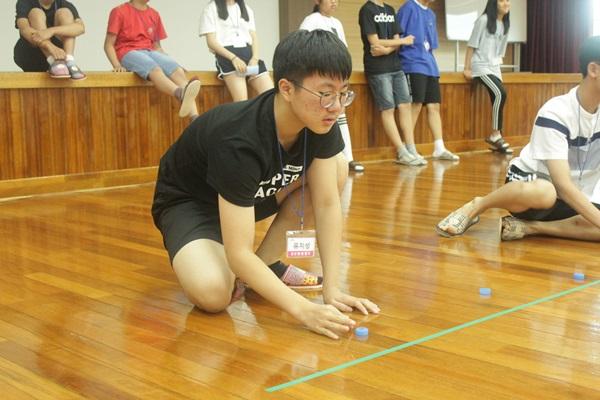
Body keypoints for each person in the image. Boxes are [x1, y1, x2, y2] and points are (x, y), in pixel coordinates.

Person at [151, 30, 380, 339]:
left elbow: (326, 203)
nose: (336, 106)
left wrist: (332, 289)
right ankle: (238, 266)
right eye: (325, 94)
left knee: (336, 168)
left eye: (343, 93)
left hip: (248, 195)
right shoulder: (239, 140)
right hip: (191, 203)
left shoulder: (320, 122)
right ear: (286, 88)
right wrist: (303, 310)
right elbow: (238, 253)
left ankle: (265, 266)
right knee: (213, 293)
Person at [436, 36, 600, 243]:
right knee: (546, 192)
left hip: (575, 199)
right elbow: (562, 186)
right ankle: (478, 205)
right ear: (593, 70)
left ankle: (532, 228)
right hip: (534, 188)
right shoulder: (556, 112)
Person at [104, 0, 201, 119]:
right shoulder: (119, 11)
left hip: (150, 51)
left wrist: (172, 62)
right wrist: (117, 65)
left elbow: (157, 47)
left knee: (177, 70)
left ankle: (195, 118)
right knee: (155, 69)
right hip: (127, 51)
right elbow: (108, 44)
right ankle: (180, 93)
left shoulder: (154, 14)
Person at [300, 0, 365, 173]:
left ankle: (348, 158)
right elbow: (303, 48)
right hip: (320, 77)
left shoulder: (337, 23)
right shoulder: (311, 20)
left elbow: (344, 51)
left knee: (341, 115)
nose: (334, 2)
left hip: (337, 76)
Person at [358, 0, 425, 166]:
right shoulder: (367, 10)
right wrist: (402, 41)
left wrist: (387, 49)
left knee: (405, 105)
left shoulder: (389, 9)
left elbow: (395, 39)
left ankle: (411, 149)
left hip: (396, 66)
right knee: (388, 108)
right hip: (377, 69)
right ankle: (401, 152)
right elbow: (374, 42)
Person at [397, 0, 460, 161]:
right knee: (415, 104)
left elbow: (431, 44)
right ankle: (406, 147)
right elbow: (397, 36)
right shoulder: (408, 7)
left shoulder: (431, 13)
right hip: (412, 64)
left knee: (434, 106)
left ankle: (439, 147)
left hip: (430, 65)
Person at [199, 0, 274, 102]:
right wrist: (234, 58)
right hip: (228, 57)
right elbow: (211, 42)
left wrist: (255, 58)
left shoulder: (247, 9)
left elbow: (254, 37)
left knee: (271, 96)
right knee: (241, 101)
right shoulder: (211, 9)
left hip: (250, 55)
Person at [464, 0, 513, 154]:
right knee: (500, 93)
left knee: (496, 97)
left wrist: (497, 68)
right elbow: (471, 45)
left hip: (494, 67)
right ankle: (495, 135)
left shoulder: (505, 24)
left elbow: (500, 52)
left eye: (508, 0)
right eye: (502, 0)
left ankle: (497, 138)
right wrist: (467, 68)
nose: (506, 3)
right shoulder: (483, 20)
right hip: (480, 66)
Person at [14, 0, 86, 79]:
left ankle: (69, 61)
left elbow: (80, 28)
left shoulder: (65, 4)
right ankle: (53, 61)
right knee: (36, 13)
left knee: (65, 12)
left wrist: (51, 31)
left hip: (60, 56)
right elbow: (24, 29)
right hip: (32, 54)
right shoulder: (25, 2)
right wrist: (49, 46)